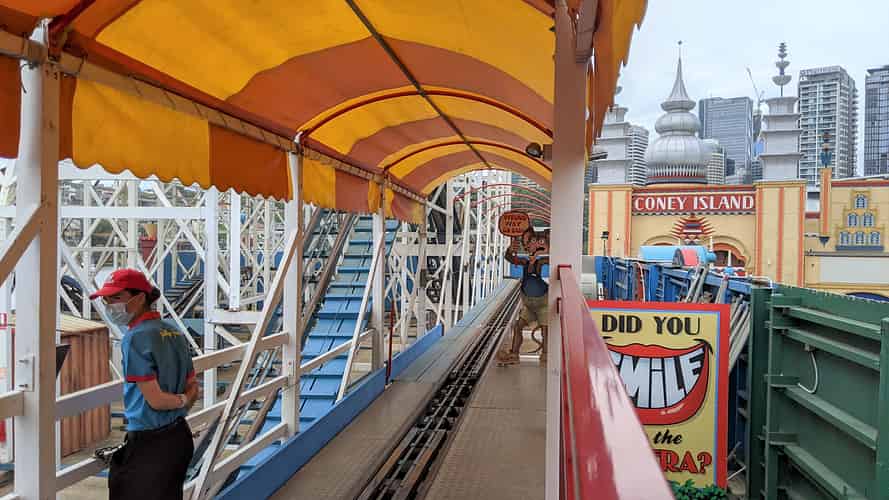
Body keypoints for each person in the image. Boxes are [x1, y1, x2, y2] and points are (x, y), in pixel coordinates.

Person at [90, 268, 199, 500]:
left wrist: (178, 401)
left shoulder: (135, 338)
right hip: (179, 436)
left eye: (116, 297)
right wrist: (183, 402)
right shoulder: (174, 332)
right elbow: (193, 388)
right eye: (106, 299)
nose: (109, 305)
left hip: (149, 444)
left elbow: (156, 400)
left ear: (139, 298)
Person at [498, 227, 550, 365]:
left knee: (545, 330)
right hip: (529, 305)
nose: (531, 245)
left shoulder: (541, 262)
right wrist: (510, 249)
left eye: (535, 242)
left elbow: (553, 259)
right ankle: (514, 354)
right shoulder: (525, 262)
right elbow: (509, 258)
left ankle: (546, 355)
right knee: (518, 326)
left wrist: (543, 251)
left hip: (543, 304)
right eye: (529, 242)